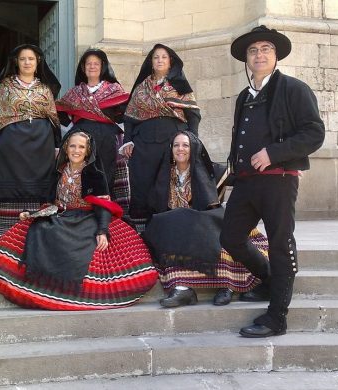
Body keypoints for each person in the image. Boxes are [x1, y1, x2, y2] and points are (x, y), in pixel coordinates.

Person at [221, 26, 325, 337]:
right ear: (247, 60)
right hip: (247, 183)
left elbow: (314, 133)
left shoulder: (295, 89)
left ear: (275, 55)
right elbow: (239, 139)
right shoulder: (244, 96)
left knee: (280, 243)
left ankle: (277, 316)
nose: (259, 54)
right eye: (254, 51)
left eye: (266, 49)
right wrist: (232, 176)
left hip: (279, 181)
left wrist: (273, 153)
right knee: (230, 237)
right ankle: (268, 280)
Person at [0, 130, 158, 310]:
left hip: (88, 218)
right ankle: (42, 281)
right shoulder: (58, 171)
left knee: (85, 248)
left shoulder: (94, 173)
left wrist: (102, 231)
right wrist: (31, 214)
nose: (76, 150)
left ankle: (70, 287)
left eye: (81, 147)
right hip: (61, 215)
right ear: (65, 148)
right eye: (72, 146)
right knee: (36, 231)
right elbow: (49, 200)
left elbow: (102, 206)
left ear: (87, 151)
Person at [143, 131, 269, 307]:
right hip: (177, 231)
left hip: (206, 226)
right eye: (176, 145)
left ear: (194, 148)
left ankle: (226, 286)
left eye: (185, 145)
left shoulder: (212, 172)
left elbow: (244, 179)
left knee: (224, 238)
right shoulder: (162, 174)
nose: (180, 149)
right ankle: (182, 289)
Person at [120, 44, 200, 226]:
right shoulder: (141, 87)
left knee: (168, 181)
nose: (160, 60)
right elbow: (130, 118)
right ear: (151, 61)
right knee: (142, 181)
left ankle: (168, 225)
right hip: (144, 144)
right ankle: (142, 227)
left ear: (170, 61)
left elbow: (193, 115)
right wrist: (128, 142)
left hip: (172, 141)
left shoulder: (180, 86)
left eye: (164, 57)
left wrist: (192, 140)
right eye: (156, 57)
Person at [0, 44, 61, 234]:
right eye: (22, 59)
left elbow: (53, 117)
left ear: (37, 63)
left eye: (31, 59)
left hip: (42, 143)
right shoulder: (5, 87)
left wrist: (56, 145)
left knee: (41, 184)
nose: (27, 62)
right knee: (11, 181)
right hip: (12, 145)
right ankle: (9, 232)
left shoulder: (45, 88)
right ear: (16, 62)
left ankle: (36, 229)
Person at [56, 48, 130, 194]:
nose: (92, 67)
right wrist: (73, 128)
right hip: (81, 137)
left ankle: (104, 210)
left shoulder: (114, 90)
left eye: (96, 64)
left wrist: (126, 139)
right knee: (83, 172)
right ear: (83, 68)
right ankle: (82, 207)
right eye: (89, 64)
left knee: (106, 172)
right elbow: (59, 111)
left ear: (102, 67)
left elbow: (123, 115)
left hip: (107, 138)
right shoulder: (75, 92)